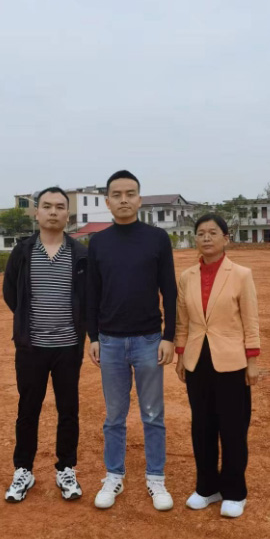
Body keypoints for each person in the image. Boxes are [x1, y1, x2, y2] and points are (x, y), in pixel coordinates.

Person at [87, 170, 177, 511]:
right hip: (110, 342)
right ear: (107, 201)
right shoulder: (98, 242)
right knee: (114, 416)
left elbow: (169, 290)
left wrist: (169, 336)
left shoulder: (157, 239)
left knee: (153, 414)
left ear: (139, 199)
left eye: (130, 193)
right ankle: (114, 475)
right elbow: (92, 293)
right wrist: (93, 336)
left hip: (149, 341)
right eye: (117, 194)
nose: (123, 200)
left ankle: (156, 478)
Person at [2, 187, 88, 503]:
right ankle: (23, 470)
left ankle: (66, 469)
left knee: (68, 410)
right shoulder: (22, 252)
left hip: (68, 347)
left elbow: (87, 296)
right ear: (37, 213)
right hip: (31, 347)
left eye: (60, 207)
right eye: (47, 206)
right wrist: (27, 322)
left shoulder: (80, 254)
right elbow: (11, 293)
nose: (53, 212)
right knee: (28, 409)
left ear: (68, 214)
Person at [174, 214, 260, 518]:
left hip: (232, 361)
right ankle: (207, 487)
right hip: (197, 359)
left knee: (233, 428)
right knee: (202, 426)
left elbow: (250, 320)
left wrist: (252, 361)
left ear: (226, 238)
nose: (206, 238)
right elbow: (182, 321)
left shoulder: (241, 274)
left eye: (213, 232)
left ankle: (235, 492)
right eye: (201, 233)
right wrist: (181, 354)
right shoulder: (187, 277)